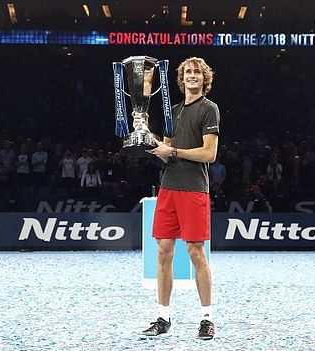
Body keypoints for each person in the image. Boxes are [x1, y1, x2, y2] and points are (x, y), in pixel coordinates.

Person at [142, 57, 219, 340]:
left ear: (204, 78)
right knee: (163, 252)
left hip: (195, 188)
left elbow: (209, 154)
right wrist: (148, 140)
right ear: (181, 78)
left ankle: (207, 318)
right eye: (187, 72)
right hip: (168, 187)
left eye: (197, 72)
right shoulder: (171, 111)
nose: (192, 75)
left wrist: (173, 152)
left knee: (196, 253)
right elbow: (166, 152)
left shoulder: (209, 109)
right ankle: (163, 316)